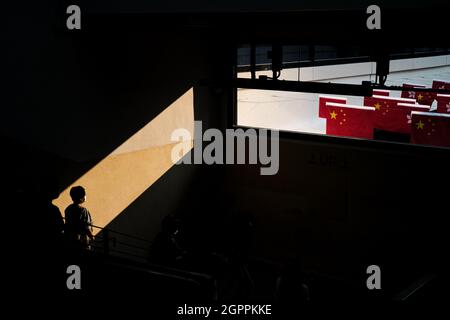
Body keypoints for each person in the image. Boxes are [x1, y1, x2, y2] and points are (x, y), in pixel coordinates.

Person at [64, 186, 94, 250]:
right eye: (85, 195)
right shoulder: (83, 210)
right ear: (81, 198)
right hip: (81, 241)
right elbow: (86, 226)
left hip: (70, 239)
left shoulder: (68, 209)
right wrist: (92, 237)